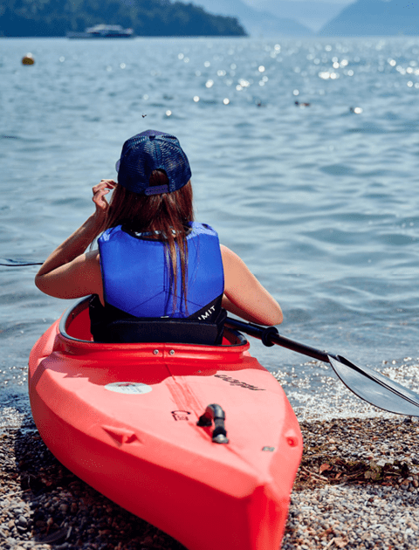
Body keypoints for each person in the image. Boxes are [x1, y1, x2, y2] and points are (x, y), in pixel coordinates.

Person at [35, 129, 282, 344]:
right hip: (199, 372)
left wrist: (96, 222)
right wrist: (216, 295)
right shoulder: (220, 257)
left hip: (121, 376)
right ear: (185, 190)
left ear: (124, 193)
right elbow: (272, 316)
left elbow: (45, 279)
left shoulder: (99, 264)